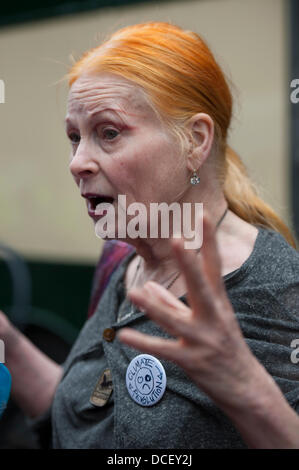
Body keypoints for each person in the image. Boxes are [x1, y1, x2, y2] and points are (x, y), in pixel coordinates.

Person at [1, 21, 299, 449]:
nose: (77, 162)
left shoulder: (277, 290)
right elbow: (89, 420)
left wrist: (248, 390)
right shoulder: (121, 261)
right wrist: (7, 341)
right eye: (74, 137)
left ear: (195, 141)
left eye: (108, 132)